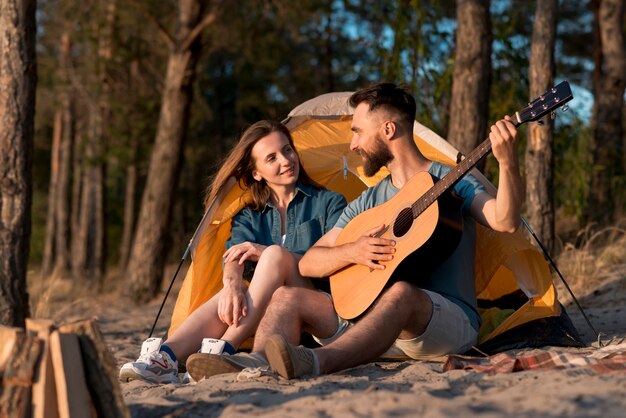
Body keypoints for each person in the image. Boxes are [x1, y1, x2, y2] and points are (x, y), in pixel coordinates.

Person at [193, 82, 523, 380]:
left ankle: (318, 361)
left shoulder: (449, 180)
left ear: (389, 130)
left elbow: (504, 221)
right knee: (286, 296)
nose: (352, 144)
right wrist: (352, 251)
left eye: (358, 132)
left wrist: (507, 163)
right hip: (375, 328)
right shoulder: (370, 199)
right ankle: (257, 363)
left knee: (402, 293)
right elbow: (309, 263)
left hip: (443, 325)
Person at [119, 120, 346, 384]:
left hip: (315, 308)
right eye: (272, 157)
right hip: (269, 318)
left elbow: (336, 260)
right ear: (257, 173)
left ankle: (225, 348)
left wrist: (267, 253)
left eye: (287, 150)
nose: (285, 161)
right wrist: (232, 284)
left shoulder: (329, 202)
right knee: (230, 296)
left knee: (274, 255)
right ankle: (164, 358)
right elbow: (233, 256)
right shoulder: (250, 215)